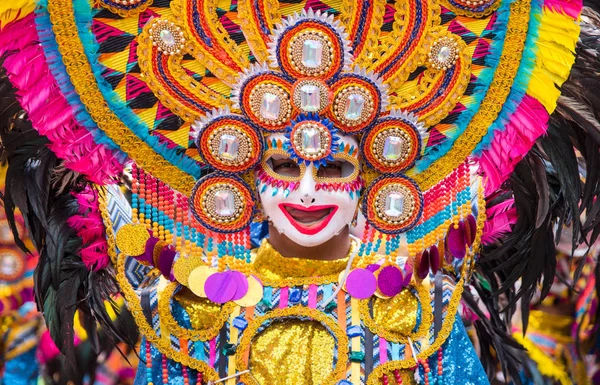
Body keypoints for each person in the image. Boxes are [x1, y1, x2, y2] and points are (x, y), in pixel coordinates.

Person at [0, 0, 599, 385]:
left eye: (334, 170)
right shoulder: (186, 253)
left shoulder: (414, 256)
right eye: (285, 164)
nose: (308, 190)